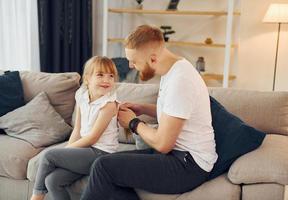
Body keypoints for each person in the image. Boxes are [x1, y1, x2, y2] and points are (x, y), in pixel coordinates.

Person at [81, 25, 218, 200]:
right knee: (107, 167)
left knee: (103, 167)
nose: (130, 65)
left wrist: (133, 123)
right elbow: (175, 112)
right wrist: (142, 108)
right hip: (178, 155)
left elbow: (163, 143)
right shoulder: (174, 69)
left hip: (189, 165)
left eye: (134, 61)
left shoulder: (180, 81)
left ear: (152, 59)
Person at [31, 56, 120, 200]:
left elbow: (93, 138)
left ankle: (36, 197)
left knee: (49, 155)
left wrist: (65, 151)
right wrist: (69, 149)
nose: (106, 80)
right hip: (86, 151)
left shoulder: (109, 105)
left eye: (111, 76)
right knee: (52, 181)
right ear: (87, 79)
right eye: (100, 75)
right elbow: (77, 129)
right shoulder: (81, 95)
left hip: (102, 154)